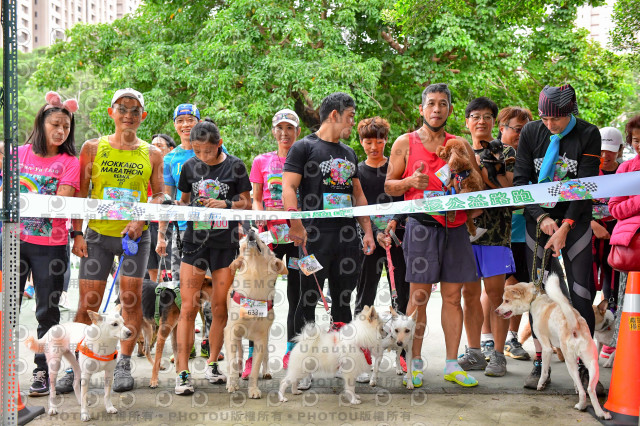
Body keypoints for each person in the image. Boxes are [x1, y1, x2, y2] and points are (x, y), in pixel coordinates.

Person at [58, 88, 165, 393]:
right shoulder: (93, 148)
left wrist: (141, 220)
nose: (129, 115)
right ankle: (75, 365)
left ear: (142, 116)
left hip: (136, 237)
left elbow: (158, 194)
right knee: (88, 304)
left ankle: (123, 365)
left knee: (130, 300)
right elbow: (80, 193)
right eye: (123, 109)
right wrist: (76, 232)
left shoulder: (153, 153)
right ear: (111, 112)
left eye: (135, 111)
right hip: (98, 236)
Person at [384, 83, 481, 388]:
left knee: (453, 298)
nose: (436, 109)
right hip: (421, 227)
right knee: (419, 298)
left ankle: (452, 365)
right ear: (421, 109)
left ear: (450, 109)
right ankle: (414, 364)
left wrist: (464, 189)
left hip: (455, 229)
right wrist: (411, 180)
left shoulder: (460, 144)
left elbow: (476, 185)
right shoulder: (404, 142)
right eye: (431, 104)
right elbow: (388, 186)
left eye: (442, 104)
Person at [283, 92, 376, 390]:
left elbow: (358, 195)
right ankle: (304, 365)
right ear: (334, 115)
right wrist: (295, 224)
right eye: (349, 116)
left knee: (343, 300)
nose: (352, 122)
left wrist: (368, 231)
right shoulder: (303, 147)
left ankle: (343, 362)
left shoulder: (349, 153)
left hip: (347, 239)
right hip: (312, 239)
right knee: (306, 300)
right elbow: (288, 187)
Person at [513, 84, 601, 390]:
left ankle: (587, 368)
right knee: (540, 296)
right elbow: (521, 181)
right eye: (544, 118)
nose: (549, 125)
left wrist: (564, 226)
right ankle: (541, 363)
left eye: (557, 120)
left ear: (570, 113)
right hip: (538, 221)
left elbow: (586, 186)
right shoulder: (530, 133)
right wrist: (542, 217)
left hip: (575, 222)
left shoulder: (589, 134)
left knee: (580, 293)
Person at [0, 93, 80, 396]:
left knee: (47, 311)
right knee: (7, 306)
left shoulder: (70, 162)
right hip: (13, 240)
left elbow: (62, 200)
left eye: (66, 127)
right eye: (55, 124)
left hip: (51, 245)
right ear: (41, 124)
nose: (61, 131)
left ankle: (42, 371)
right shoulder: (16, 154)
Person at [173, 118, 251, 395]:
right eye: (197, 151)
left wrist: (226, 203)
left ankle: (213, 362)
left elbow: (247, 203)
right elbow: (182, 201)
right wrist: (173, 206)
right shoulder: (188, 166)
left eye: (207, 151)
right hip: (194, 243)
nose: (202, 157)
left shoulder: (235, 165)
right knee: (188, 306)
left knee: (219, 307)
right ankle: (182, 372)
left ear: (219, 144)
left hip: (225, 245)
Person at [457, 97, 515, 378]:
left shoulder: (505, 151)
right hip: (463, 235)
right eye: (475, 116)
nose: (481, 121)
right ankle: (474, 352)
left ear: (495, 122)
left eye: (488, 117)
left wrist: (487, 171)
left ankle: (499, 355)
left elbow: (512, 189)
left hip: (496, 234)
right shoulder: (457, 150)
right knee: (469, 295)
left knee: (496, 295)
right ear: (466, 122)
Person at [353, 116, 410, 382]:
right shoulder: (356, 171)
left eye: (379, 140)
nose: (374, 146)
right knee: (365, 294)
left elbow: (405, 200)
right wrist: (374, 233)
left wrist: (393, 225)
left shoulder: (395, 168)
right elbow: (355, 208)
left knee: (402, 292)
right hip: (368, 240)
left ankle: (403, 353)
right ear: (361, 142)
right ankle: (362, 352)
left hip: (396, 238)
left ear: (386, 140)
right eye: (368, 141)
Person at [247, 109, 302, 375]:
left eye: (289, 128)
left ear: (297, 132)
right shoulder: (261, 161)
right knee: (259, 295)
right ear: (273, 132)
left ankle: (293, 352)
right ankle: (253, 356)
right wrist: (261, 220)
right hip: (268, 237)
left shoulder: (305, 159)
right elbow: (256, 198)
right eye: (279, 128)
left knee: (297, 294)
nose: (284, 133)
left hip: (296, 236)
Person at [495, 106, 534, 361]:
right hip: (498, 236)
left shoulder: (530, 157)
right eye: (517, 130)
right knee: (500, 288)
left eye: (526, 131)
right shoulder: (493, 155)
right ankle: (489, 343)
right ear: (502, 128)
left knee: (519, 288)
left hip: (525, 235)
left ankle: (511, 339)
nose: (521, 135)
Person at [590, 127, 623, 326]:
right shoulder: (589, 170)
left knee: (614, 280)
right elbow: (574, 203)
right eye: (601, 150)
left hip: (618, 231)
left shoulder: (626, 171)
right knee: (588, 281)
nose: (605, 155)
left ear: (619, 150)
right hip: (591, 230)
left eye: (610, 150)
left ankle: (611, 327)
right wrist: (593, 224)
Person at [147, 133, 176, 282]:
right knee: (151, 268)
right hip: (147, 224)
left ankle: (169, 303)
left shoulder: (175, 169)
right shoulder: (148, 167)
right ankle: (154, 302)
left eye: (159, 146)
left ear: (170, 149)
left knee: (167, 270)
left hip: (169, 227)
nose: (155, 150)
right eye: (152, 146)